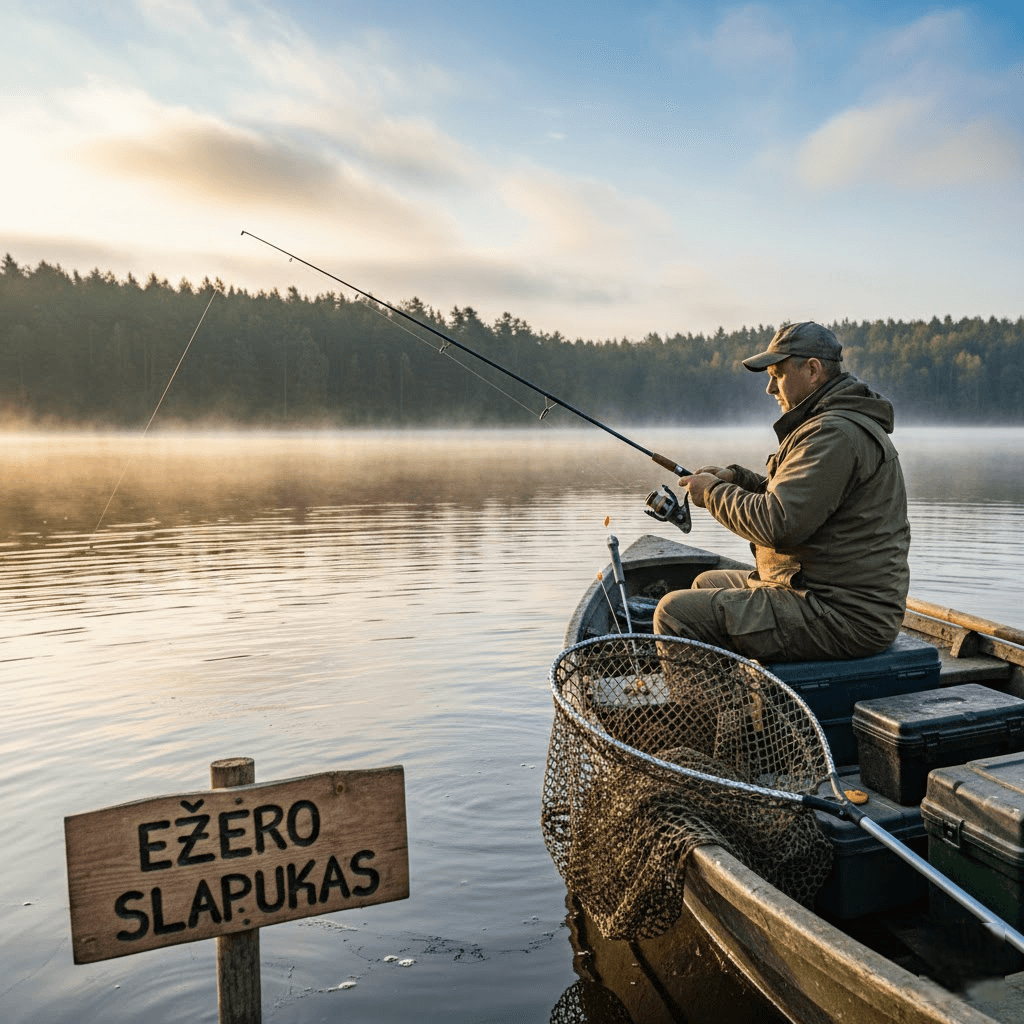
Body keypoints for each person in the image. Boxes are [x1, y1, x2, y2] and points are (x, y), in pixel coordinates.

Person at [653, 321, 910, 663]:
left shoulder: (833, 434)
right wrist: (737, 479)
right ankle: (743, 694)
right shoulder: (828, 423)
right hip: (818, 592)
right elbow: (802, 499)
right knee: (703, 584)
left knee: (674, 613)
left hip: (842, 616)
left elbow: (780, 524)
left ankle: (712, 715)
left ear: (813, 370)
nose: (770, 388)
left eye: (777, 374)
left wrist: (714, 493)